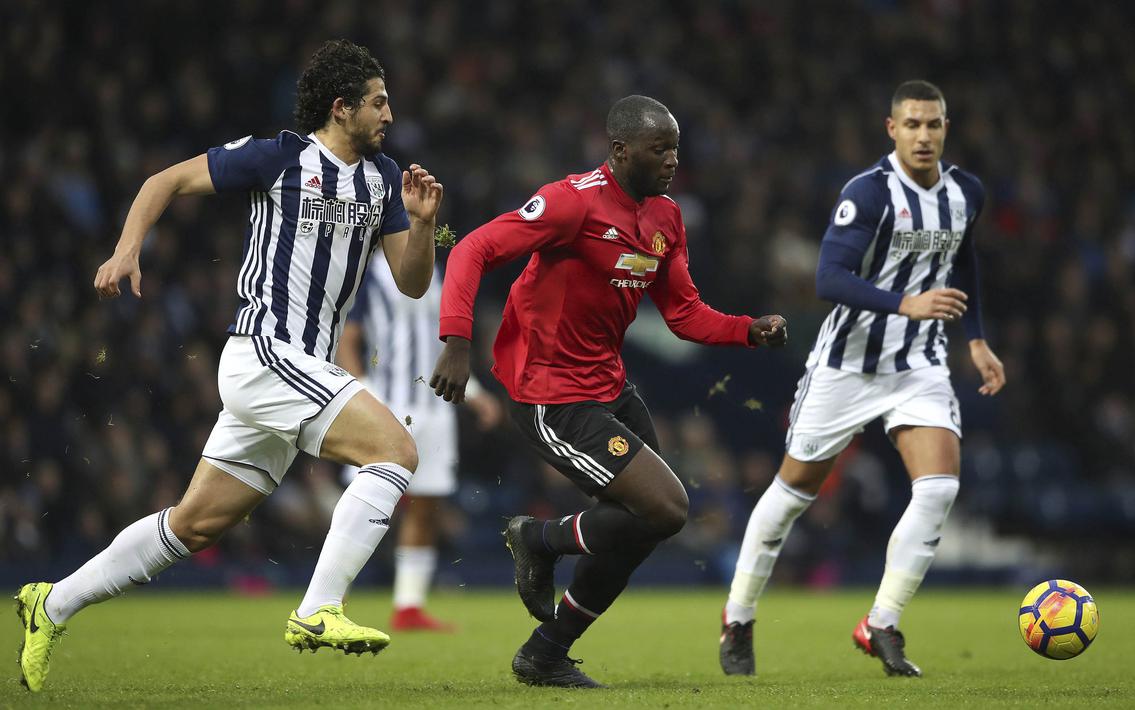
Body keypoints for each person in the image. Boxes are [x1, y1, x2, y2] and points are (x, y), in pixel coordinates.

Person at [14, 39, 445, 692]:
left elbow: (411, 284)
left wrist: (421, 226)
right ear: (340, 107)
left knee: (196, 523)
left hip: (295, 370)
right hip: (267, 353)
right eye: (378, 102)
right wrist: (129, 249)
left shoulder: (384, 178)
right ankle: (317, 610)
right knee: (395, 450)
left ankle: (52, 602)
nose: (390, 113)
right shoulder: (279, 156)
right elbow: (167, 180)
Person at [429, 95, 788, 688]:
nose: (673, 159)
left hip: (609, 386)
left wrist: (747, 331)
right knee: (667, 507)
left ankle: (545, 652)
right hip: (549, 392)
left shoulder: (666, 217)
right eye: (660, 148)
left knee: (648, 523)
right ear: (621, 150)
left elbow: (685, 313)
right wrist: (457, 341)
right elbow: (473, 249)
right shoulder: (572, 202)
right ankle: (538, 539)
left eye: (676, 146)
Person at [719, 80, 1006, 678]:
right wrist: (906, 304)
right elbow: (829, 278)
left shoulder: (965, 194)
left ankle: (881, 622)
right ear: (892, 129)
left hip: (919, 364)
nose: (923, 135)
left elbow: (964, 262)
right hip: (845, 365)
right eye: (912, 125)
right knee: (793, 494)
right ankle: (738, 618)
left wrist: (975, 339)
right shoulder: (868, 194)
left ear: (945, 128)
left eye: (933, 124)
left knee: (938, 488)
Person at [335, 250, 501, 632]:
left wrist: (473, 392)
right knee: (366, 502)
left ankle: (408, 606)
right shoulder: (367, 271)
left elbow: (441, 341)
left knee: (427, 505)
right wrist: (362, 391)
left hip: (435, 406)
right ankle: (332, 594)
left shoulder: (440, 272)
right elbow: (349, 334)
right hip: (385, 402)